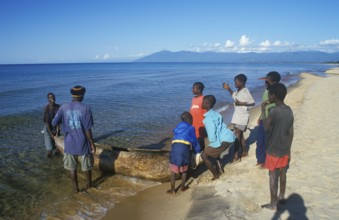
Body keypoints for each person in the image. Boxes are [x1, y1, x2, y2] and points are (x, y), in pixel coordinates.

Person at [52, 85, 96, 193]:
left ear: (72, 95)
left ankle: (76, 189)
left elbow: (54, 122)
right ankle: (89, 185)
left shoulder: (63, 107)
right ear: (83, 95)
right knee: (87, 167)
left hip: (69, 142)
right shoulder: (85, 108)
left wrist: (65, 122)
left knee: (72, 168)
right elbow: (87, 129)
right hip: (83, 142)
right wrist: (92, 143)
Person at [261, 83, 294, 210]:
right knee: (282, 172)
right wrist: (289, 149)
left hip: (273, 148)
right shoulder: (289, 110)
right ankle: (281, 196)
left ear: (273, 96)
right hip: (285, 147)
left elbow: (266, 128)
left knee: (272, 175)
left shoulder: (273, 111)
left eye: (269, 94)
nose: (268, 96)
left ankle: (273, 203)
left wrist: (263, 111)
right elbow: (291, 132)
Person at [201, 95, 236, 180]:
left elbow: (212, 134)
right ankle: (220, 169)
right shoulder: (216, 113)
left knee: (204, 155)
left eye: (203, 102)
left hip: (224, 139)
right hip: (229, 136)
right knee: (215, 152)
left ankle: (216, 175)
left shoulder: (208, 118)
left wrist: (212, 142)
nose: (201, 104)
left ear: (208, 105)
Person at [167, 112, 201, 195]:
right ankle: (182, 187)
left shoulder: (177, 127)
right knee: (184, 170)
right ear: (189, 119)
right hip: (184, 151)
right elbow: (194, 141)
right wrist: (198, 150)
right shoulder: (191, 128)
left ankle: (172, 189)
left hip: (174, 149)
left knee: (173, 171)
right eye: (192, 119)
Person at [223, 74, 255, 161]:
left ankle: (236, 155)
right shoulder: (238, 91)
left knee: (237, 135)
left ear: (241, 82)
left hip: (242, 117)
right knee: (240, 136)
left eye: (236, 82)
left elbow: (252, 103)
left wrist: (242, 104)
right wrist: (228, 88)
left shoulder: (245, 92)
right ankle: (244, 152)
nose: (235, 84)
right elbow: (234, 96)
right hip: (237, 116)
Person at [256, 71, 281, 167]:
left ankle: (267, 161)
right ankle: (261, 159)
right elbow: (264, 106)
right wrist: (260, 117)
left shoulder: (276, 92)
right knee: (260, 140)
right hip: (264, 118)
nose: (265, 82)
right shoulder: (266, 90)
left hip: (271, 119)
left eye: (267, 80)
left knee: (268, 140)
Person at [190, 82, 207, 150]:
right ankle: (196, 155)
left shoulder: (204, 99)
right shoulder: (194, 99)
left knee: (201, 141)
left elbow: (206, 113)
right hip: (193, 124)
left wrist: (205, 125)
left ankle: (202, 156)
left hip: (201, 125)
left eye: (193, 88)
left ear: (199, 90)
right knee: (194, 141)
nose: (192, 90)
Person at [43, 92, 60, 158]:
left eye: (53, 97)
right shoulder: (46, 108)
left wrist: (58, 131)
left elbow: (59, 120)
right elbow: (47, 123)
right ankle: (49, 163)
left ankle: (56, 162)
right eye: (50, 97)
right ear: (48, 99)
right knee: (50, 149)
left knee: (57, 148)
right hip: (48, 129)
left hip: (55, 128)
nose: (52, 98)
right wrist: (51, 135)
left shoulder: (58, 107)